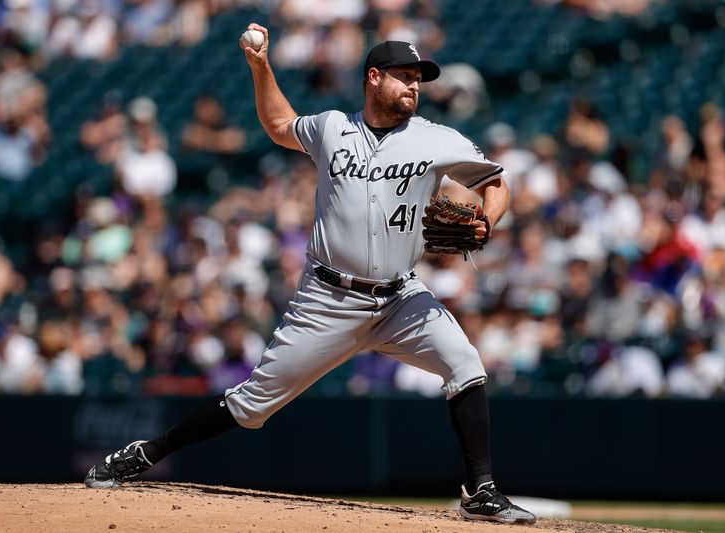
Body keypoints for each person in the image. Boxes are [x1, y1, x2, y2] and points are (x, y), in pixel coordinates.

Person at [84, 23, 535, 525]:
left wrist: (488, 221)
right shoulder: (331, 128)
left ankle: (481, 491)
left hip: (402, 298)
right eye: (404, 75)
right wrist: (261, 66)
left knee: (465, 364)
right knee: (251, 405)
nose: (414, 85)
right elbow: (279, 125)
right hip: (328, 300)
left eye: (418, 78)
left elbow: (496, 180)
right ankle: (146, 453)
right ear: (373, 77)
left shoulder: (436, 139)